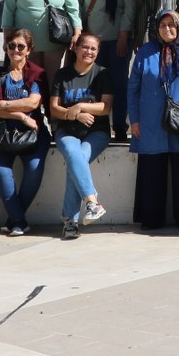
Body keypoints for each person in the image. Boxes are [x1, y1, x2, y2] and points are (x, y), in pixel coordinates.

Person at [127, 10, 179, 230]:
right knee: (152, 170)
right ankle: (151, 218)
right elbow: (133, 88)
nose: (167, 29)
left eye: (172, 25)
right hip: (151, 122)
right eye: (163, 25)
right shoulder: (145, 52)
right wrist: (134, 120)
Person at [0, 30, 49, 237]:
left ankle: (15, 219)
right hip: (1, 131)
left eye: (21, 46)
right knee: (2, 171)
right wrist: (21, 116)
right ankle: (19, 221)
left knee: (34, 169)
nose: (16, 50)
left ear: (29, 50)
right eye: (12, 46)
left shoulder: (37, 74)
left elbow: (33, 102)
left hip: (32, 133)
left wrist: (4, 104)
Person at [50, 32, 114, 240]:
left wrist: (79, 107)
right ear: (75, 48)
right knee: (72, 152)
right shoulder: (62, 75)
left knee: (77, 158)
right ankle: (92, 201)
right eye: (85, 47)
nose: (89, 51)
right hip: (67, 131)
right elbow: (54, 109)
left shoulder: (103, 74)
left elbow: (105, 108)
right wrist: (74, 116)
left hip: (97, 132)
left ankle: (70, 221)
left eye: (93, 49)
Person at [79, 0, 143, 140]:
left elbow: (130, 9)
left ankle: (119, 128)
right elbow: (81, 6)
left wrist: (124, 36)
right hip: (93, 42)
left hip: (117, 40)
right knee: (94, 85)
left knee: (118, 84)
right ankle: (97, 127)